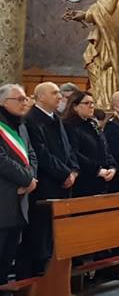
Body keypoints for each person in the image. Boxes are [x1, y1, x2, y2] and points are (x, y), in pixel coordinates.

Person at [18, 82, 78, 278]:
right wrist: (64, 174)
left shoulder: (56, 118)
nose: (59, 96)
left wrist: (73, 171)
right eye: (54, 93)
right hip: (46, 184)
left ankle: (54, 274)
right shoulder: (31, 120)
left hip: (63, 183)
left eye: (59, 93)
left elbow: (68, 149)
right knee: (40, 233)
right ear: (41, 97)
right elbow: (41, 153)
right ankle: (37, 276)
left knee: (56, 233)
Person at [0, 84, 38, 286]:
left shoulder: (21, 125)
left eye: (25, 99)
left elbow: (31, 155)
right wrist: (27, 179)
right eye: (20, 99)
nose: (25, 103)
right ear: (4, 102)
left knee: (8, 254)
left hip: (20, 198)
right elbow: (2, 160)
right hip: (4, 195)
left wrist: (31, 179)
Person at [62, 91, 117, 197]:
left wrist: (112, 167)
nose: (91, 106)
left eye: (92, 103)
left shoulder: (92, 124)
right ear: (75, 107)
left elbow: (105, 147)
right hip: (84, 179)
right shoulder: (68, 126)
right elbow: (74, 153)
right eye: (87, 103)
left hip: (103, 178)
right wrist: (97, 170)